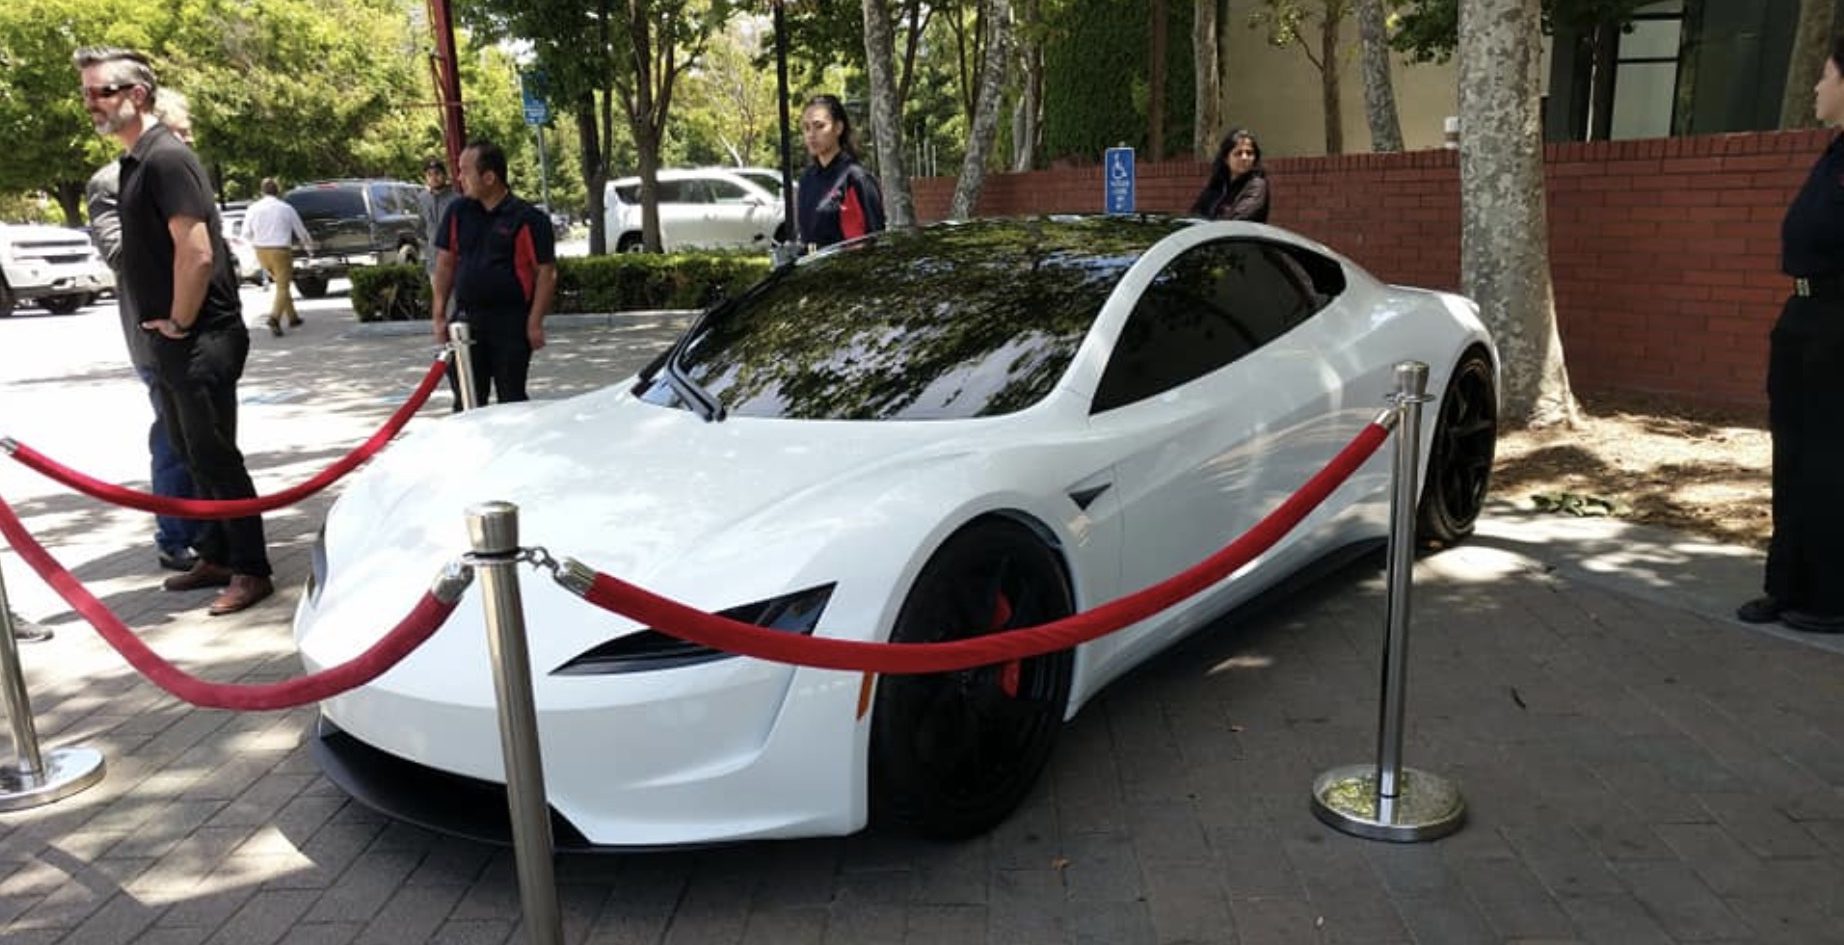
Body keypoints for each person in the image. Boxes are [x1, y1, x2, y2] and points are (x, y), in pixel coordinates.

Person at [74, 46, 273, 615]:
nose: (91, 103)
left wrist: (181, 321)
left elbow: (197, 252)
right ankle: (213, 552)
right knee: (188, 452)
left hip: (201, 336)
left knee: (215, 456)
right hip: (172, 339)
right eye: (86, 92)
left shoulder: (165, 157)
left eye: (101, 92)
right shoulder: (137, 161)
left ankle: (250, 568)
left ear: (137, 95)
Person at [1738, 36, 1844, 634]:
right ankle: (1787, 584)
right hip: (1803, 320)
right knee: (1793, 455)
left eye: (1825, 76)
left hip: (1838, 322)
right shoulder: (1833, 154)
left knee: (1832, 459)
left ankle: (1831, 597)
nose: (1815, 87)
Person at [85, 89, 205, 575]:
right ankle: (176, 536)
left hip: (201, 330)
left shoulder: (183, 172)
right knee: (172, 435)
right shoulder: (111, 183)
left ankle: (213, 532)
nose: (186, 142)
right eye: (181, 132)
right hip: (156, 335)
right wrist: (169, 224)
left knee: (206, 436)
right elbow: (121, 255)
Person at [431, 140, 557, 407]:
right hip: (467, 320)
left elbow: (545, 273)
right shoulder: (458, 212)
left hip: (510, 322)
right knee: (467, 400)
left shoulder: (528, 219)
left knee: (511, 398)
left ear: (489, 177)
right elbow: (445, 264)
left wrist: (534, 322)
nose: (459, 178)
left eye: (465, 171)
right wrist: (439, 314)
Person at [796, 94, 885, 251]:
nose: (811, 134)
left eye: (819, 126)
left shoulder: (856, 178)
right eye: (806, 128)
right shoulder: (806, 179)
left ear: (838, 128)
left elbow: (875, 240)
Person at [238, 177, 315, 336]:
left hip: (261, 251)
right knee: (283, 286)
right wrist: (309, 248)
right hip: (280, 250)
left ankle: (293, 317)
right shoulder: (286, 208)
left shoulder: (253, 208)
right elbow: (300, 230)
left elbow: (245, 234)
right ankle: (274, 317)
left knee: (281, 284)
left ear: (261, 191)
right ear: (278, 191)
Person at [1189, 128, 1271, 223]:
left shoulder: (1256, 186)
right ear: (1226, 159)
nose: (1244, 158)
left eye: (1249, 153)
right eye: (1238, 153)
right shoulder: (1217, 185)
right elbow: (1195, 214)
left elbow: (1237, 220)